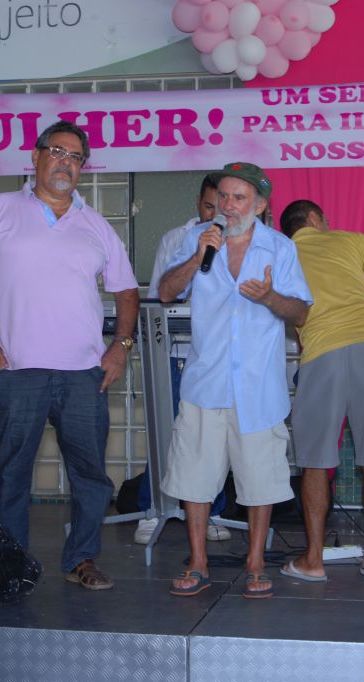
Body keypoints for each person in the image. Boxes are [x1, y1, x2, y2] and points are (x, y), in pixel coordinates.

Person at [0, 120, 139, 592]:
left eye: (75, 157)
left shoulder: (96, 225)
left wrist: (120, 347)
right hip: (15, 369)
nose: (65, 163)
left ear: (83, 168)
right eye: (57, 151)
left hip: (83, 374)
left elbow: (126, 290)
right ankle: (9, 565)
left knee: (91, 476)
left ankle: (82, 559)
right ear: (35, 157)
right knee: (8, 473)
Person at [158, 162, 312, 599]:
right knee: (194, 479)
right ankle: (198, 562)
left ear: (260, 206)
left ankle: (256, 563)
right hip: (205, 381)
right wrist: (197, 257)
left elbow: (301, 312)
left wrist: (270, 297)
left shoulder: (279, 248)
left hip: (259, 387)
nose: (227, 206)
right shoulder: (197, 238)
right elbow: (166, 292)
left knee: (260, 481)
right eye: (223, 196)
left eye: (239, 198)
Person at [277, 200, 364, 585]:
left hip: (322, 354)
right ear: (315, 219)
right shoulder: (348, 240)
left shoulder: (281, 254)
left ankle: (313, 560)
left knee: (316, 463)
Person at [134, 173, 232, 545]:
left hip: (219, 355)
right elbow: (160, 297)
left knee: (215, 437)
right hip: (176, 353)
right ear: (198, 203)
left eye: (222, 207)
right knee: (169, 432)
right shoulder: (176, 238)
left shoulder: (243, 240)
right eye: (209, 206)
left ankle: (213, 510)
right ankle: (153, 507)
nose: (215, 215)